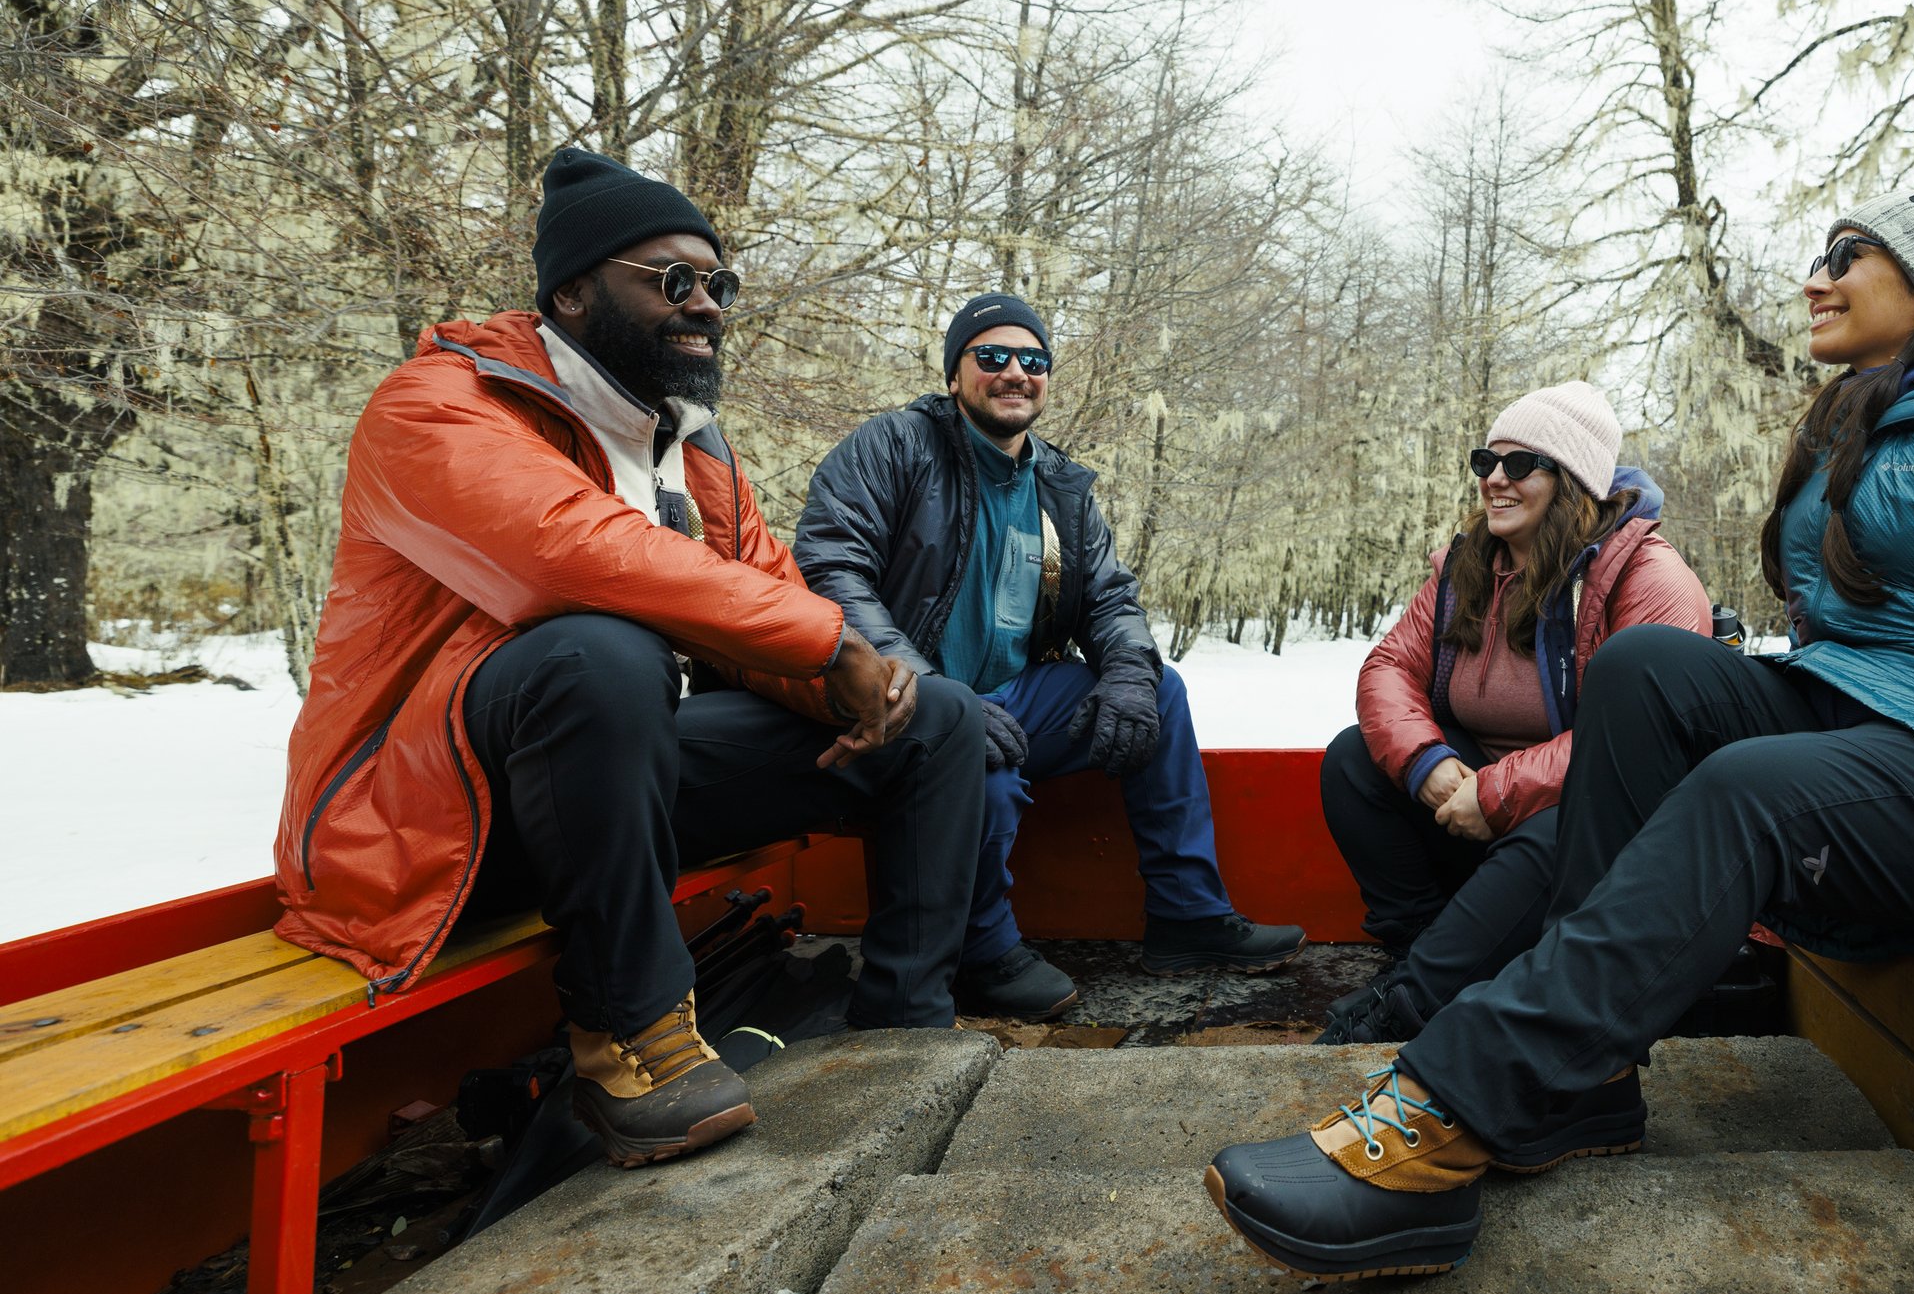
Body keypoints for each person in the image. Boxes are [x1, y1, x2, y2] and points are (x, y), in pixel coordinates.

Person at [1203, 187, 1914, 1280]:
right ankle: (1588, 1085)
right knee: (1647, 672)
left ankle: (1456, 1103)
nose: (1814, 277)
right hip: (1864, 715)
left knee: (1746, 783)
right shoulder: (1854, 422)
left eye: (1851, 254)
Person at [275, 149, 987, 1170]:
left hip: (604, 792)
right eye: (671, 282)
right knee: (598, 652)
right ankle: (633, 1041)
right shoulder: (434, 406)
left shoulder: (694, 449)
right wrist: (828, 644)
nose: (704, 306)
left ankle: (901, 1033)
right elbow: (569, 555)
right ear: (572, 290)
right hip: (419, 822)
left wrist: (860, 673)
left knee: (937, 718)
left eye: (718, 286)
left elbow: (765, 602)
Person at [793, 293, 1305, 1019]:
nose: (1014, 373)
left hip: (1015, 696)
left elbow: (1108, 599)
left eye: (1032, 361)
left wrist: (1128, 671)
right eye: (991, 357)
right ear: (954, 374)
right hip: (906, 703)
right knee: (983, 778)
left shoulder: (1062, 487)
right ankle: (984, 952)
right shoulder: (893, 447)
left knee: (1161, 692)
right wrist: (938, 695)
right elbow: (831, 569)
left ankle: (1187, 915)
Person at [1316, 381, 1711, 1045]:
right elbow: (1389, 668)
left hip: (1596, 836)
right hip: (1476, 812)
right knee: (1354, 760)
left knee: (1559, 827)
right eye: (1484, 462)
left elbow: (1633, 739)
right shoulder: (1463, 570)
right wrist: (1429, 763)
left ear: (1573, 479)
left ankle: (1413, 1001)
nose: (1494, 480)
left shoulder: (1647, 578)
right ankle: (1425, 949)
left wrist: (1495, 792)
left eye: (1520, 464)